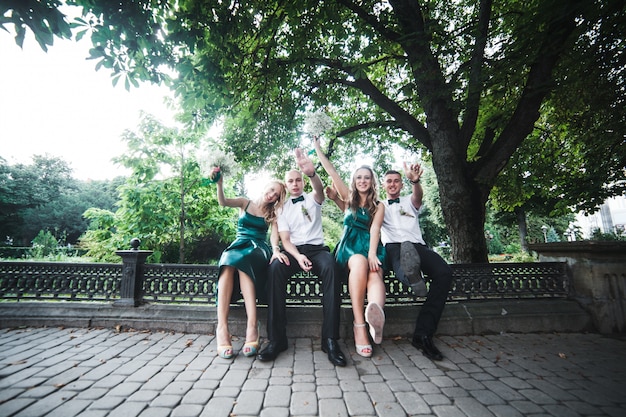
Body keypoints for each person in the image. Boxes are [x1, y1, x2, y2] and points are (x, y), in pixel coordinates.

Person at [258, 148, 347, 367]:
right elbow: (285, 240)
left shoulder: (313, 198)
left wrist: (311, 172)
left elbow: (320, 189)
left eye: (299, 180)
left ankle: (330, 340)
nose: (296, 183)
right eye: (291, 181)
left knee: (332, 269)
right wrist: (297, 257)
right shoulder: (282, 209)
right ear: (286, 186)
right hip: (294, 251)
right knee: (275, 269)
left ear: (303, 182)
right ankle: (277, 340)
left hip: (318, 250)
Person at [313, 138, 386, 358]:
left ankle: (376, 319)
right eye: (359, 177)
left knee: (375, 274)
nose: (363, 181)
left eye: (367, 177)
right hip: (349, 248)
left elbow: (375, 230)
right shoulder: (348, 197)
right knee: (360, 262)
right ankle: (359, 325)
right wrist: (317, 147)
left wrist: (373, 253)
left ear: (372, 182)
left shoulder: (379, 206)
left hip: (370, 245)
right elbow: (332, 171)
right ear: (354, 181)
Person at [380, 163, 453, 361]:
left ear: (402, 184)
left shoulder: (409, 201)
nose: (393, 184)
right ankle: (412, 276)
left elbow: (418, 196)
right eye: (389, 181)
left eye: (396, 181)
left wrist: (415, 181)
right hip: (394, 246)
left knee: (444, 273)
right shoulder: (379, 205)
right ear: (383, 185)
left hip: (417, 245)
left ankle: (423, 334)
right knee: (401, 264)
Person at [214, 167, 287, 359]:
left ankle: (252, 325)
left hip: (259, 248)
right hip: (239, 244)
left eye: (276, 195)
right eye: (271, 190)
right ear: (265, 187)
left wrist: (276, 250)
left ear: (278, 199)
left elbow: (274, 237)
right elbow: (223, 202)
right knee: (228, 260)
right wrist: (220, 184)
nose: (271, 195)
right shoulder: (245, 203)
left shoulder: (273, 214)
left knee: (243, 259)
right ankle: (222, 327)